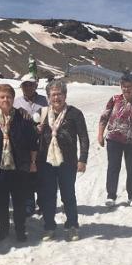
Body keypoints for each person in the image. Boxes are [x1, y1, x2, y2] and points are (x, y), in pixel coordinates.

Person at [0, 84, 38, 242]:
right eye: (2, 97)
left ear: (13, 98)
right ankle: (3, 230)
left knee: (19, 202)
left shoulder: (23, 118)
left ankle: (20, 230)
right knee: (1, 203)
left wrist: (32, 162)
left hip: (19, 168)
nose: (6, 99)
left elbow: (33, 143)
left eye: (9, 97)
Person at [36, 79, 89, 242]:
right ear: (48, 97)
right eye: (53, 95)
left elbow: (83, 137)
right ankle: (49, 226)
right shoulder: (42, 113)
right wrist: (36, 130)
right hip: (46, 162)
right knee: (48, 195)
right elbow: (33, 136)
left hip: (68, 161)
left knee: (68, 194)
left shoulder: (75, 113)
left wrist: (83, 159)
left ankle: (72, 225)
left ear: (65, 95)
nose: (56, 98)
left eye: (59, 94)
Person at [98, 74, 132, 209]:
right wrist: (100, 134)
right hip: (114, 139)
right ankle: (111, 196)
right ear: (121, 87)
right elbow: (104, 117)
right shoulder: (114, 100)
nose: (126, 89)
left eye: (129, 87)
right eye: (124, 86)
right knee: (113, 167)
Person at [14, 74, 48, 215]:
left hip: (41, 143)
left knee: (41, 173)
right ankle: (29, 203)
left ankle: (42, 202)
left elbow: (50, 117)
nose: (28, 87)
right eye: (25, 85)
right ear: (21, 87)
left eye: (31, 85)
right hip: (24, 144)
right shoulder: (16, 102)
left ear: (35, 86)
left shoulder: (44, 100)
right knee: (26, 174)